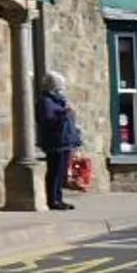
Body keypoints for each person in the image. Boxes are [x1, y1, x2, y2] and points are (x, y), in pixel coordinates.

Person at [35, 71, 84, 211]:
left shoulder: (58, 100)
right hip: (55, 142)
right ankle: (53, 200)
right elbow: (47, 120)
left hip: (64, 140)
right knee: (55, 172)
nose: (61, 89)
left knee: (61, 172)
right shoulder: (46, 102)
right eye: (59, 86)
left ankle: (58, 198)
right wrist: (63, 114)